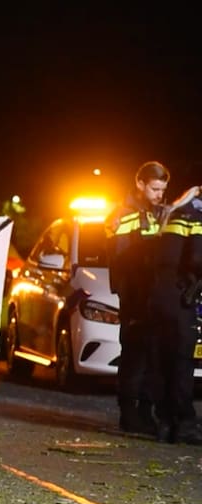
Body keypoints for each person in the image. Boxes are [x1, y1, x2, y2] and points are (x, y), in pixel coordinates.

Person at [105, 163, 199, 434]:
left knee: (153, 356)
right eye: (155, 189)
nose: (160, 194)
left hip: (154, 294)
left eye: (163, 190)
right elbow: (123, 258)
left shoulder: (160, 212)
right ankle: (130, 413)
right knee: (134, 354)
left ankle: (147, 412)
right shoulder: (121, 216)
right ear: (140, 184)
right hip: (134, 293)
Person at [148, 195, 202, 444]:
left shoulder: (174, 213)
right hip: (181, 297)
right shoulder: (197, 217)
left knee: (163, 359)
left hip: (159, 295)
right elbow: (196, 260)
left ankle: (164, 421)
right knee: (182, 361)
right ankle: (184, 425)